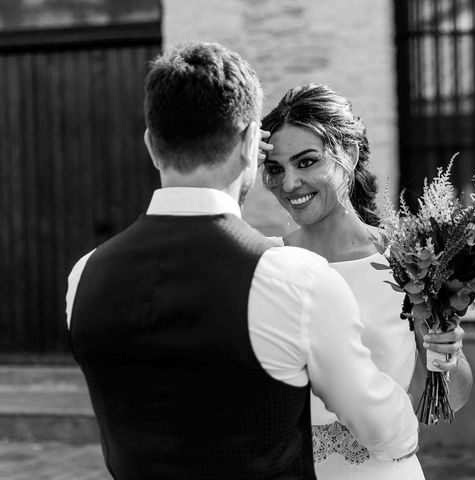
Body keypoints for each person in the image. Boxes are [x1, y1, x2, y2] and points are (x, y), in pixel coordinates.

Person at [65, 43, 419, 480]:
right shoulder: (292, 279)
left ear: (152, 147)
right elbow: (390, 433)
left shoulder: (84, 276)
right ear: (253, 142)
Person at [260, 83, 473, 480]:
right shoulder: (267, 263)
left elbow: (449, 401)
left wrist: (446, 350)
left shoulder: (409, 259)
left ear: (350, 155)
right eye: (275, 169)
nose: (289, 184)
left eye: (306, 162)